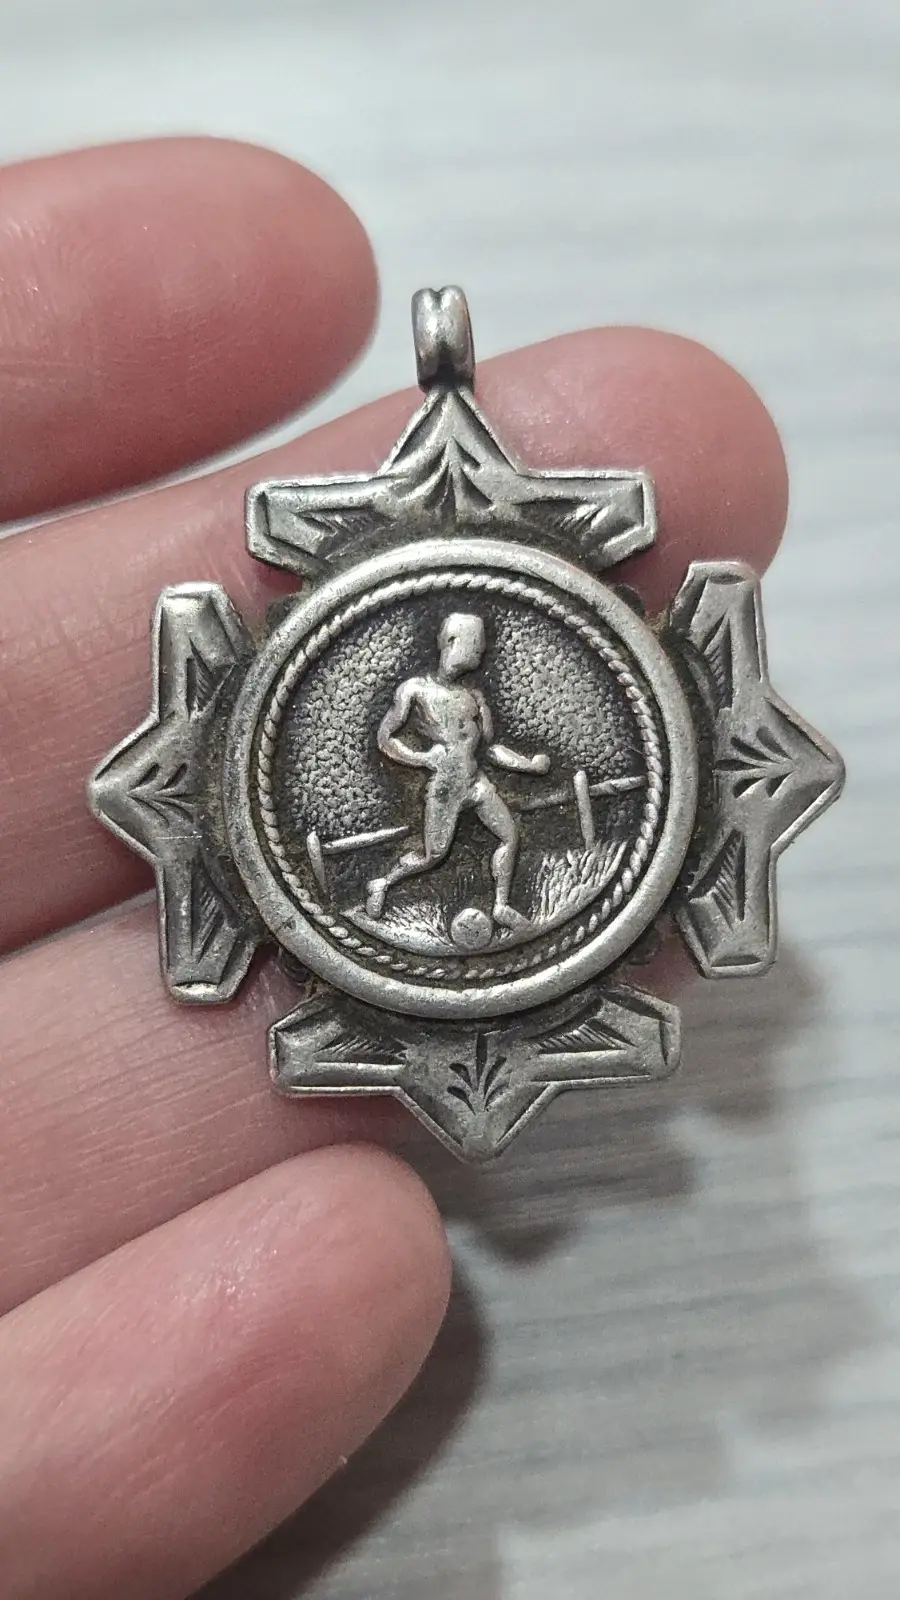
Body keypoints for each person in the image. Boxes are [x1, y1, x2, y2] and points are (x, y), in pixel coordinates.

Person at [0, 135, 787, 1597]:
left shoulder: (483, 677)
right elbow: (396, 742)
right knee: (421, 861)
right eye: (468, 635)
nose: (472, 643)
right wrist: (436, 760)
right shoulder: (419, 684)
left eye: (483, 637)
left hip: (487, 794)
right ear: (447, 634)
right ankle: (377, 901)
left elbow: (513, 757)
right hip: (431, 799)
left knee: (499, 839)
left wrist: (547, 776)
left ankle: (472, 900)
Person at [366, 612, 549, 928]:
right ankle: (382, 883)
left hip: (476, 782)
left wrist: (528, 766)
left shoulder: (473, 697)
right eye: (476, 642)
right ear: (452, 642)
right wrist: (421, 758)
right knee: (433, 856)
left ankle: (501, 907)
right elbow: (385, 738)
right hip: (446, 788)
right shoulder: (415, 690)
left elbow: (489, 749)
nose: (481, 650)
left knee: (509, 836)